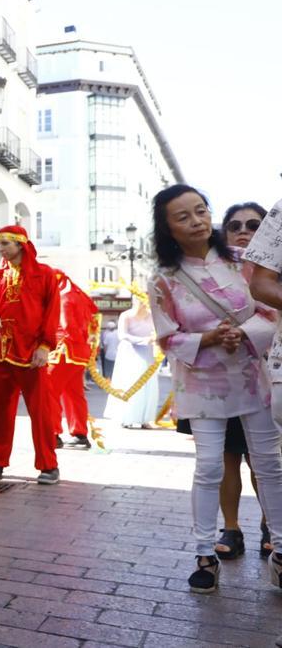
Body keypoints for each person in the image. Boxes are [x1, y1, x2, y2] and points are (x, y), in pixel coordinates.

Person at [148, 184, 282, 593]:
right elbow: (167, 337)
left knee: (270, 462)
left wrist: (241, 334)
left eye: (201, 211)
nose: (197, 221)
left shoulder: (243, 261)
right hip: (200, 383)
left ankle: (280, 548)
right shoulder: (163, 279)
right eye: (183, 216)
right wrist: (207, 339)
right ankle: (205, 552)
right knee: (208, 466)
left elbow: (272, 308)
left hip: (249, 374)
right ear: (167, 228)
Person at [0, 224, 61, 485]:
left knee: (41, 412)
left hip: (32, 354)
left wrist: (45, 346)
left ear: (20, 244)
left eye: (5, 244)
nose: (0, 250)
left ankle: (48, 465)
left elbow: (52, 312)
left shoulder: (44, 275)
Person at [215, 202, 269, 557]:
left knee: (265, 460)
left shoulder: (274, 272)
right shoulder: (211, 271)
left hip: (267, 376)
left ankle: (272, 523)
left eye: (253, 224)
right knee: (226, 457)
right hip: (221, 377)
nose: (243, 230)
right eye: (235, 225)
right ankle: (231, 529)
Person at [48, 273, 99, 450]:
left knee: (49, 391)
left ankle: (52, 434)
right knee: (74, 393)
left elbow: (68, 326)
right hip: (78, 353)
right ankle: (79, 434)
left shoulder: (62, 297)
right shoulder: (78, 296)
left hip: (64, 350)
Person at [103, 296, 160, 429]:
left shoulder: (152, 315)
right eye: (140, 301)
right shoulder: (126, 315)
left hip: (147, 353)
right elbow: (122, 335)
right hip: (130, 352)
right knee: (129, 382)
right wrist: (143, 340)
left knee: (148, 384)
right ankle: (126, 417)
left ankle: (145, 419)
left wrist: (155, 339)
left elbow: (157, 331)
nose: (143, 304)